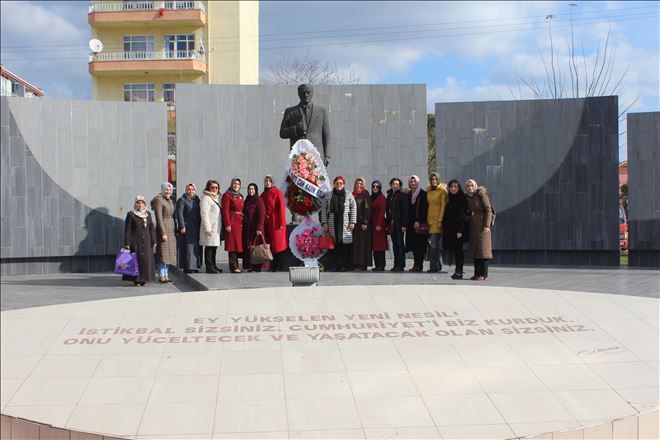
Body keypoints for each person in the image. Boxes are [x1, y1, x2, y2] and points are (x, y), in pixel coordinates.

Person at [280, 83, 331, 167]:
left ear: (312, 93)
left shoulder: (322, 111)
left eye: (308, 92)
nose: (306, 95)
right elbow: (282, 133)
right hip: (297, 155)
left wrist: (327, 155)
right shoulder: (290, 111)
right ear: (298, 94)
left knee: (316, 179)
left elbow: (326, 134)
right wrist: (296, 129)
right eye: (303, 93)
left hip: (316, 156)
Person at [321, 176, 356, 272]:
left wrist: (352, 222)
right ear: (334, 184)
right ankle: (335, 265)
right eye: (337, 183)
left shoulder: (349, 194)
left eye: (341, 183)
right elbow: (323, 209)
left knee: (344, 245)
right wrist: (324, 222)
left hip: (345, 223)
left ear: (344, 184)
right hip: (332, 222)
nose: (339, 185)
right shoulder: (329, 195)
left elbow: (353, 208)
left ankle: (344, 265)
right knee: (334, 245)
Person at [123, 196, 156, 286]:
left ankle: (144, 279)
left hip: (147, 242)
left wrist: (154, 240)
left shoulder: (148, 214)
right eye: (138, 203)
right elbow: (128, 229)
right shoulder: (131, 214)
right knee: (136, 260)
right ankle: (136, 279)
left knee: (145, 261)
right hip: (135, 241)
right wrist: (127, 242)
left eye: (142, 203)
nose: (140, 205)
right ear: (135, 204)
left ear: (144, 204)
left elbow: (151, 228)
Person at [465, 179, 493, 280]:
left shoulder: (481, 195)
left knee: (483, 251)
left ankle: (483, 274)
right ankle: (477, 273)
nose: (470, 188)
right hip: (473, 228)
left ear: (475, 186)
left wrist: (487, 225)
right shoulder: (467, 197)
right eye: (468, 186)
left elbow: (489, 210)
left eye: (472, 185)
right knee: (475, 251)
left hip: (483, 227)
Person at [443, 179, 468, 280]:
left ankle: (459, 272)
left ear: (459, 188)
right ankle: (457, 271)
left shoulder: (461, 198)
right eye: (451, 187)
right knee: (456, 251)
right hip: (451, 230)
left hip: (458, 230)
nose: (453, 188)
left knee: (458, 252)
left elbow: (463, 216)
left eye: (455, 186)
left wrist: (460, 231)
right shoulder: (450, 198)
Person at [261, 175, 288, 272]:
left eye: (269, 181)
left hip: (276, 222)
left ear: (272, 182)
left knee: (278, 245)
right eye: (266, 180)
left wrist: (281, 223)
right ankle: (272, 265)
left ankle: (278, 265)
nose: (267, 182)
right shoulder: (263, 194)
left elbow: (281, 209)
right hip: (267, 223)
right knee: (270, 245)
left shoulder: (277, 192)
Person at [151, 182, 176, 283]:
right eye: (166, 189)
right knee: (162, 254)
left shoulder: (169, 200)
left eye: (170, 190)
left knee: (169, 254)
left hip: (171, 229)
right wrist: (163, 232)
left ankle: (166, 275)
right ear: (162, 190)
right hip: (164, 228)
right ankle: (161, 275)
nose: (168, 191)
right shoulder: (159, 200)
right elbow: (159, 218)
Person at [175, 183, 202, 274]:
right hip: (187, 227)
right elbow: (179, 214)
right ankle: (188, 267)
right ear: (186, 190)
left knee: (196, 248)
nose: (191, 191)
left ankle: (196, 266)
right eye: (189, 189)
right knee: (188, 247)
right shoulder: (182, 200)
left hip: (196, 227)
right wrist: (182, 226)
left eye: (192, 189)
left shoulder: (197, 200)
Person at [405, 175, 429, 272]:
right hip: (411, 224)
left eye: (414, 181)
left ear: (418, 182)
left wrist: (419, 221)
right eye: (411, 182)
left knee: (419, 246)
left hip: (419, 224)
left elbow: (424, 209)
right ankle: (416, 264)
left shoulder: (423, 194)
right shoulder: (409, 194)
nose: (413, 183)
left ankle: (419, 265)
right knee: (413, 246)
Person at [222, 178, 244, 273]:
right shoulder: (227, 195)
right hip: (232, 222)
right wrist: (227, 224)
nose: (236, 185)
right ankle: (233, 266)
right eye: (234, 183)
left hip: (239, 223)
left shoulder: (240, 196)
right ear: (231, 184)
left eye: (238, 184)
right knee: (232, 245)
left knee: (238, 245)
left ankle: (237, 265)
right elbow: (225, 210)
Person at [426, 173, 448, 273]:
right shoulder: (429, 191)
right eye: (432, 179)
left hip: (437, 220)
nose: (434, 181)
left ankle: (433, 267)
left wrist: (440, 220)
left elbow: (443, 206)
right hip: (430, 220)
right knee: (433, 244)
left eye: (436, 179)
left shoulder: (442, 191)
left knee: (433, 244)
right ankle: (438, 265)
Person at [386, 177, 409, 272]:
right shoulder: (389, 195)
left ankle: (401, 265)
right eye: (393, 184)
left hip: (400, 224)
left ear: (400, 186)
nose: (395, 186)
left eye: (397, 184)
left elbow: (405, 211)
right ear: (391, 185)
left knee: (400, 244)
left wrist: (404, 224)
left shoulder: (402, 195)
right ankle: (396, 264)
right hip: (392, 225)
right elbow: (388, 211)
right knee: (394, 245)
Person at [199, 179, 222, 274]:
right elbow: (204, 214)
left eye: (216, 187)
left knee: (214, 247)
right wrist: (207, 228)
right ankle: (209, 267)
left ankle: (214, 265)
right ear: (208, 187)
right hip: (210, 228)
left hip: (216, 228)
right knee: (209, 248)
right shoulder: (206, 198)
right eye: (212, 187)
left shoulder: (216, 198)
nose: (214, 189)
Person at [242, 183, 266, 272]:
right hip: (248, 228)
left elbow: (262, 214)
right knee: (251, 247)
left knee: (257, 247)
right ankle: (251, 265)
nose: (250, 191)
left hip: (256, 228)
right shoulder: (247, 200)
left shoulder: (258, 200)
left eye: (252, 189)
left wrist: (259, 228)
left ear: (255, 190)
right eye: (249, 189)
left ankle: (257, 266)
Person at [351, 177, 372, 271]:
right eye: (357, 183)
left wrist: (365, 222)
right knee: (356, 244)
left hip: (362, 223)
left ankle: (362, 264)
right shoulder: (353, 195)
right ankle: (356, 263)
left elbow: (367, 209)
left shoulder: (365, 194)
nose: (358, 185)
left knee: (363, 244)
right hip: (354, 224)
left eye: (360, 184)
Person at [370, 180, 388, 271]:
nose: (375, 188)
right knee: (375, 246)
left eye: (377, 186)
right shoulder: (372, 197)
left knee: (380, 246)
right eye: (373, 186)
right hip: (372, 224)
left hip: (378, 224)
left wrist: (379, 224)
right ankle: (377, 265)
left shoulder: (381, 198)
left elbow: (382, 212)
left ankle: (381, 265)